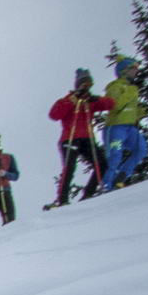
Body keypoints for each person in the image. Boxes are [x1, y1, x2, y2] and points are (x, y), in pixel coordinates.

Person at [50, 68, 114, 206]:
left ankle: (88, 194)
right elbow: (54, 114)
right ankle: (62, 199)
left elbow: (110, 104)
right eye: (83, 84)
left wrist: (96, 98)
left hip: (86, 138)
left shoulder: (89, 101)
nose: (86, 87)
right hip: (69, 138)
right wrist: (73, 99)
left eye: (88, 85)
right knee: (69, 167)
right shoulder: (69, 99)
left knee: (101, 163)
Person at [102, 57, 148, 188]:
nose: (136, 71)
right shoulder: (115, 87)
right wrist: (131, 91)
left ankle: (121, 177)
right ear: (124, 71)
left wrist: (145, 110)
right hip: (115, 127)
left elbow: (131, 111)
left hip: (129, 127)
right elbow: (116, 105)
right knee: (115, 155)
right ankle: (107, 185)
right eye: (133, 69)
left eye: (136, 69)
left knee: (141, 149)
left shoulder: (131, 88)